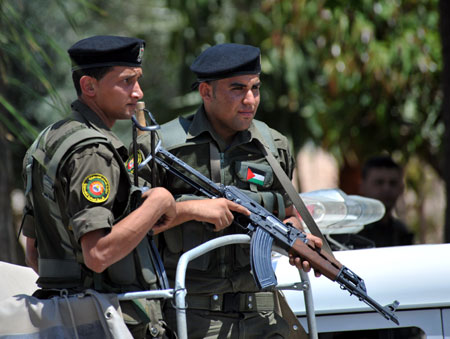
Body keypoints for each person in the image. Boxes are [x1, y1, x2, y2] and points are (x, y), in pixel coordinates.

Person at [137, 43, 323, 338]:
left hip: (264, 316)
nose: (250, 100)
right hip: (193, 317)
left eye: (255, 88)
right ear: (206, 92)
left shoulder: (273, 147)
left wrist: (295, 238)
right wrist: (189, 209)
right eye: (237, 89)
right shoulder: (164, 146)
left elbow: (289, 214)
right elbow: (132, 227)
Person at [20, 35, 177, 338]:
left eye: (138, 80)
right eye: (126, 82)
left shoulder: (49, 139)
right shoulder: (92, 152)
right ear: (89, 87)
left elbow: (33, 253)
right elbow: (98, 253)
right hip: (108, 320)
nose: (138, 92)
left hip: (66, 317)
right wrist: (159, 201)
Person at [356, 155, 414, 247]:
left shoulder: (401, 233)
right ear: (362, 186)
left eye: (393, 183)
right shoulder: (350, 230)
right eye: (379, 182)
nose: (386, 189)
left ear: (401, 188)